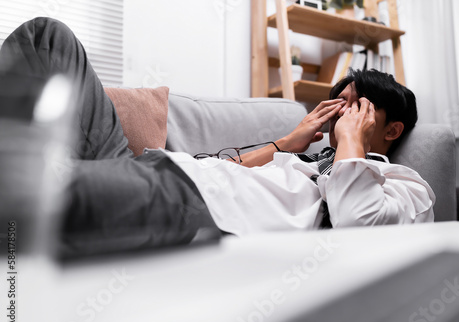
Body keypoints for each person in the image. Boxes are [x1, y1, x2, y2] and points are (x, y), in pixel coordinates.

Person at [0, 18, 434, 257]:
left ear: (392, 129)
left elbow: (360, 228)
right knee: (47, 37)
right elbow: (222, 167)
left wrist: (354, 144)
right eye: (338, 105)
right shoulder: (305, 161)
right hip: (158, 165)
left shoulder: (404, 185)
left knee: (24, 193)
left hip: (185, 198)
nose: (340, 115)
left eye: (355, 107)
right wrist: (287, 142)